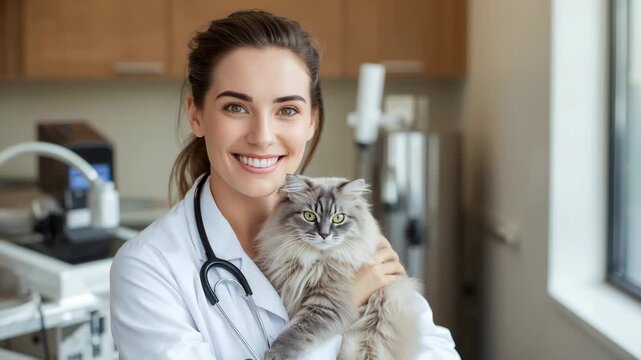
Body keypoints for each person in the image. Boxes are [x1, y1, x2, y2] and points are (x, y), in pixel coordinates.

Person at [109, 10, 460, 360]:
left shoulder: (351, 234)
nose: (262, 137)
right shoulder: (149, 268)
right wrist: (341, 306)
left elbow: (432, 348)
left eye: (287, 110)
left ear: (311, 121)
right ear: (196, 114)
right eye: (236, 107)